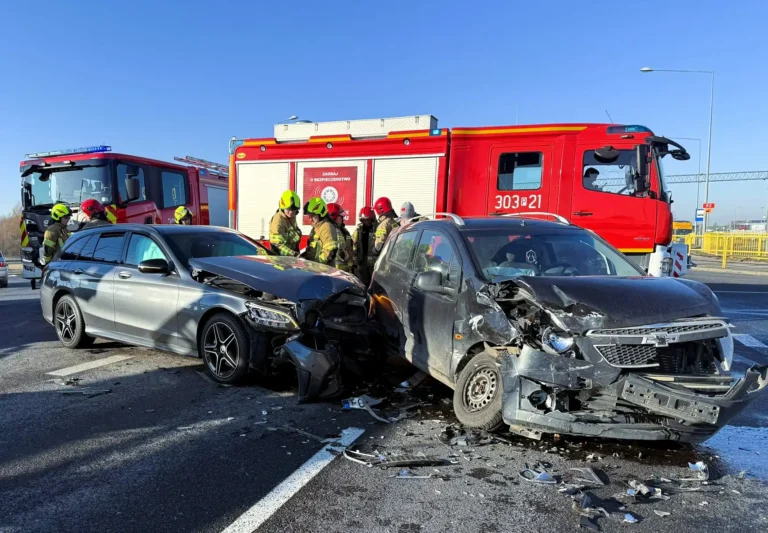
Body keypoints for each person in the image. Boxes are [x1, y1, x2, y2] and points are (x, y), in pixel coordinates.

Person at [301, 198, 338, 266]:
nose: (310, 218)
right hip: (315, 270)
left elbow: (330, 252)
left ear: (321, 214)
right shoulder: (316, 227)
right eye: (309, 216)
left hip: (323, 271)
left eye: (312, 216)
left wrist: (316, 263)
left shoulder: (326, 227)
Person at [269, 190, 302, 256]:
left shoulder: (291, 217)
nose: (291, 212)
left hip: (290, 259)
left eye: (294, 210)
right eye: (288, 209)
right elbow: (277, 245)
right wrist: (295, 255)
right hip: (280, 260)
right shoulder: (278, 219)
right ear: (282, 207)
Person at [352, 206, 376, 285]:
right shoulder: (358, 230)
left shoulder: (377, 229)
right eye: (363, 220)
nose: (366, 222)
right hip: (361, 263)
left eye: (367, 220)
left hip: (374, 265)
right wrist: (354, 262)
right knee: (362, 284)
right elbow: (353, 244)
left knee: (374, 285)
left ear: (372, 219)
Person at [326, 203, 354, 272]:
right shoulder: (329, 231)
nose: (343, 218)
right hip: (334, 270)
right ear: (334, 217)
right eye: (340, 216)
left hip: (345, 270)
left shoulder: (344, 231)